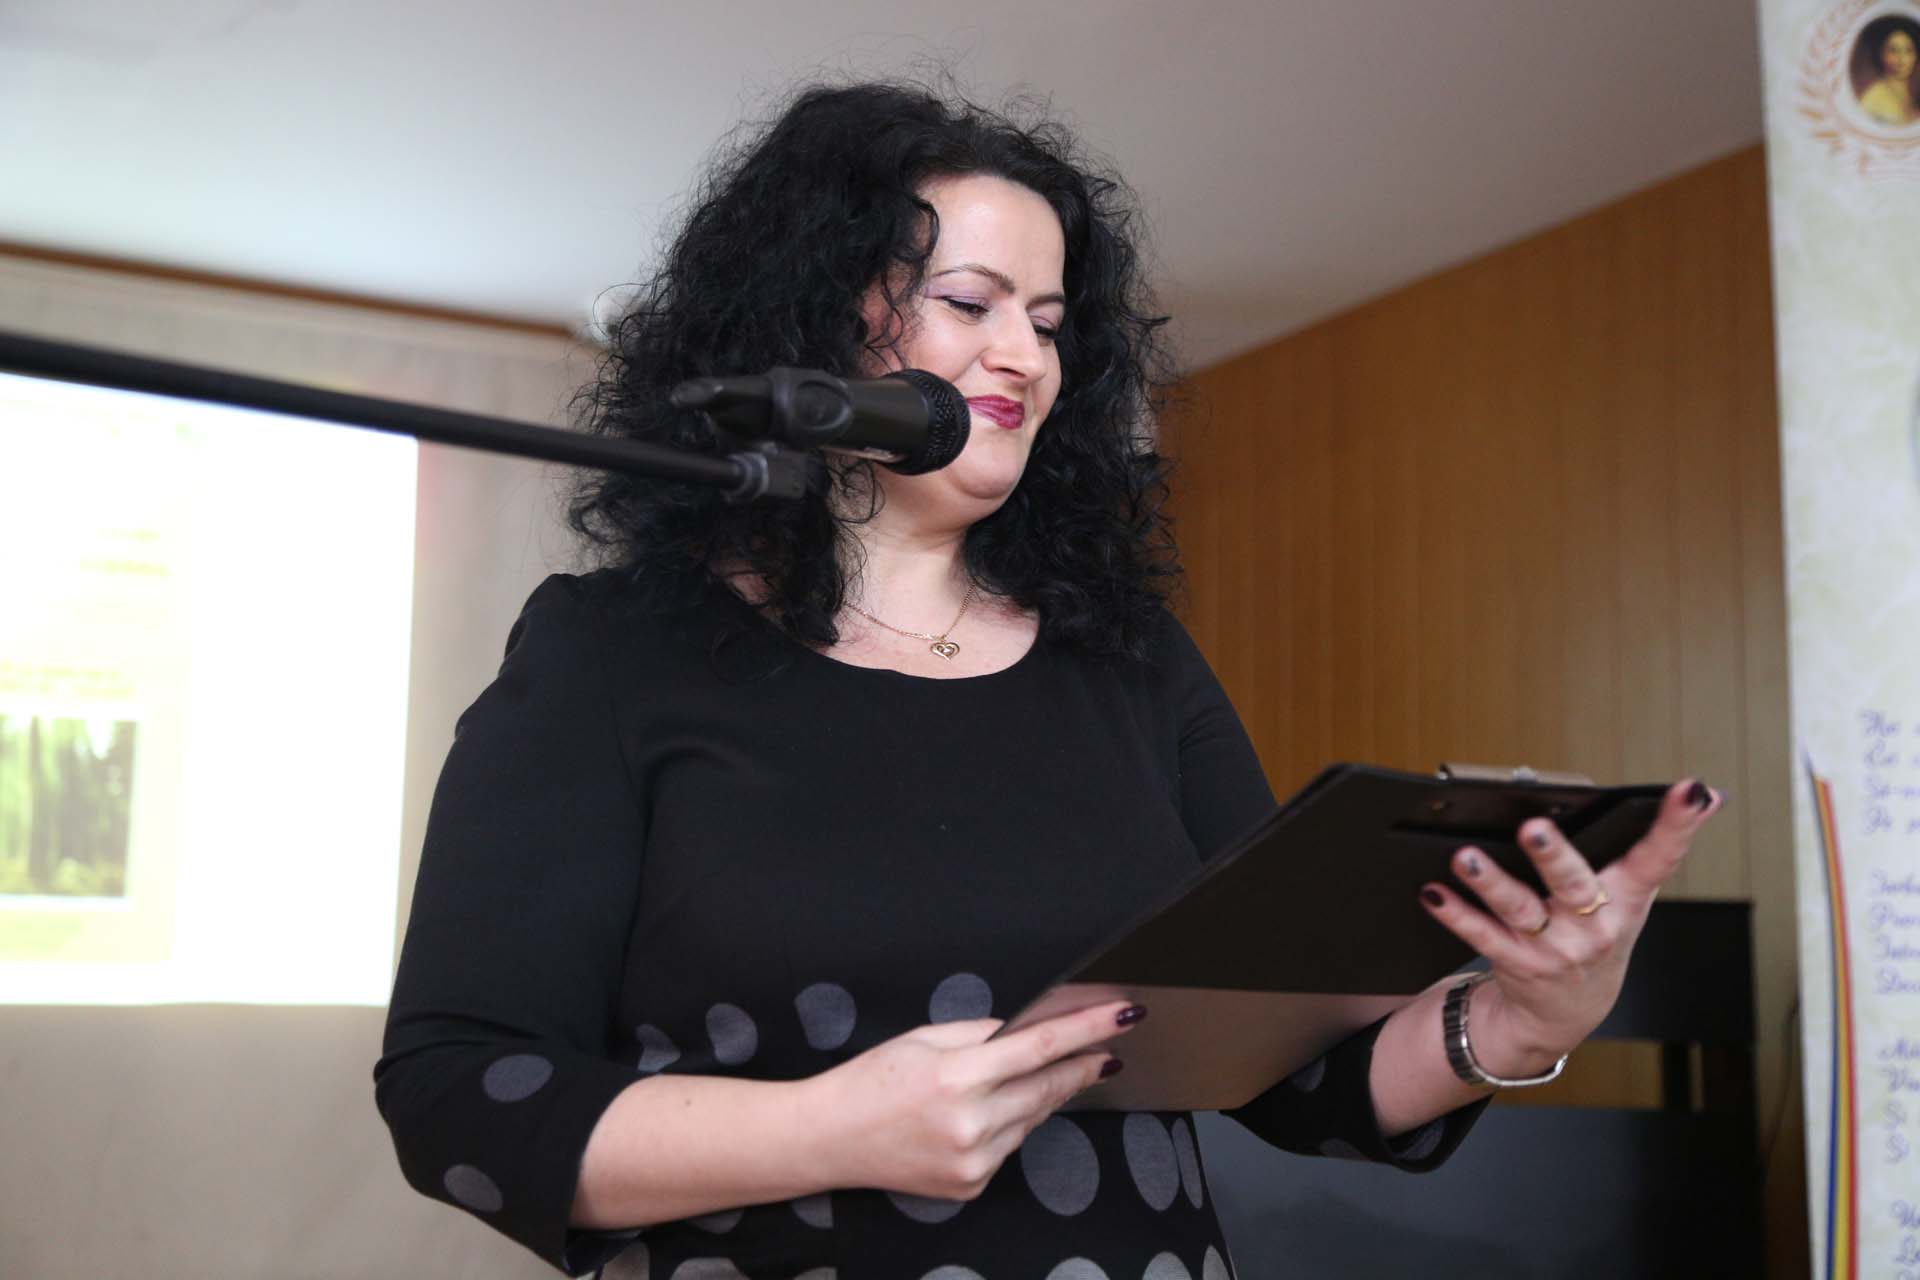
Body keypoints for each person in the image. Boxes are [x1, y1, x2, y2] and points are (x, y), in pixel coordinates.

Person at [374, 81, 1721, 1279]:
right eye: (969, 304)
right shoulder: (609, 652)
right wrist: (826, 1129)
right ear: (806, 320)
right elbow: (457, 1095)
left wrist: (1521, 1016)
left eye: (1049, 320)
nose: (1023, 355)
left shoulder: (1128, 662)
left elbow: (1293, 1068)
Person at [1858, 19, 1919, 125]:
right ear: (1882, 54)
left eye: (1908, 50)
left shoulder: (1913, 93)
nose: (1901, 59)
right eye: (1893, 51)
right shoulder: (1873, 98)